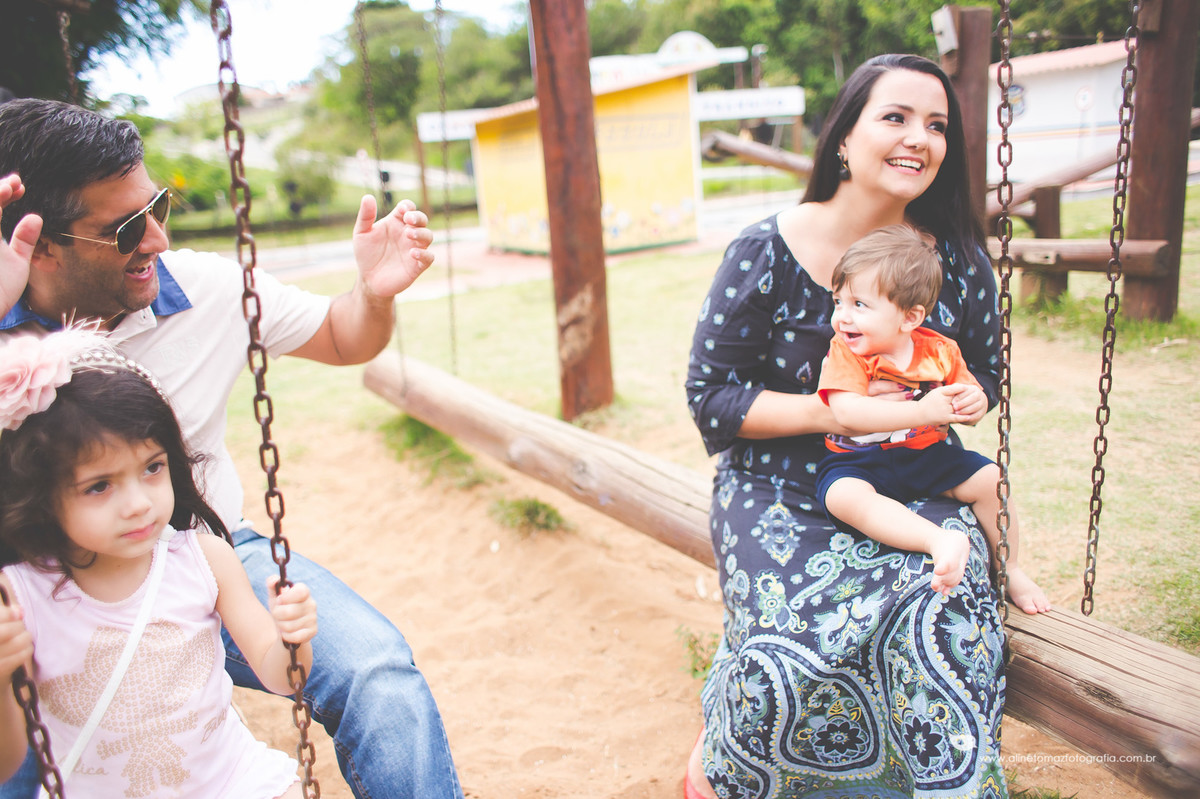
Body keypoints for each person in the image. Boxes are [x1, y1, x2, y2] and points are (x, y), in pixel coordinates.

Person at [0, 98, 463, 799]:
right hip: (49, 591)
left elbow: (343, 337)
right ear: (40, 245)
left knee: (377, 674)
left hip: (203, 551)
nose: (154, 239)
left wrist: (373, 292)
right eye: (126, 227)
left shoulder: (204, 288)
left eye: (157, 206)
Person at [685, 54, 1013, 798]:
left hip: (909, 473)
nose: (918, 139)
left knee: (943, 605)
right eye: (895, 117)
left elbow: (984, 372)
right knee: (786, 635)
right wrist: (843, 412)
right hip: (775, 483)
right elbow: (712, 396)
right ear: (844, 136)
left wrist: (961, 401)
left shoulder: (956, 263)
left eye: (937, 125)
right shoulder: (765, 249)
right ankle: (733, 767)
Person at [0, 328, 318, 797]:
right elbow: (8, 764)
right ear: (43, 497)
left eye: (152, 468)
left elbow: (282, 678)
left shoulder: (203, 558)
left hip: (231, 782)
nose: (138, 504)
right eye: (99, 485)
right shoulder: (20, 597)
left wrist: (293, 638)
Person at [817, 224, 1049, 613]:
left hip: (927, 454)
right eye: (838, 302)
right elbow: (846, 413)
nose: (842, 317)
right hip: (857, 461)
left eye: (859, 305)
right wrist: (923, 410)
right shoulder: (846, 352)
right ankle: (937, 540)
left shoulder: (940, 351)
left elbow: (968, 392)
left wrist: (972, 404)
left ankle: (1010, 567)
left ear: (910, 317)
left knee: (991, 479)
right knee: (843, 497)